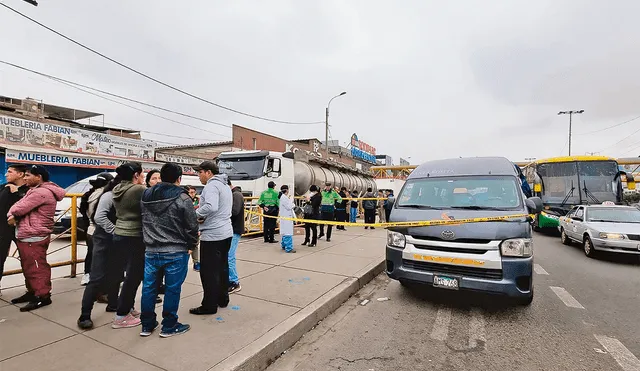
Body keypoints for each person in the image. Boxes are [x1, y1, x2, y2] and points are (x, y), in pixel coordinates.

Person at [139, 163, 198, 337]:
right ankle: (169, 325)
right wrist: (191, 245)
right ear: (179, 179)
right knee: (173, 289)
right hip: (175, 250)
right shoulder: (183, 198)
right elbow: (192, 226)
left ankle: (147, 325)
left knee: (149, 288)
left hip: (151, 249)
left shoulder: (146, 195)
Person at [8, 165, 65, 311]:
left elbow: (17, 208)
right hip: (29, 234)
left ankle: (43, 296)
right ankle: (33, 292)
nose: (25, 178)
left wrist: (13, 213)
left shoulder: (41, 192)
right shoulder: (35, 190)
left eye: (28, 175)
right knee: (29, 266)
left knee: (36, 267)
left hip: (34, 235)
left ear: (38, 177)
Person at [77, 176, 124, 329]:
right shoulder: (108, 196)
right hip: (103, 240)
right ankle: (84, 315)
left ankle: (113, 303)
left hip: (116, 242)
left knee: (116, 275)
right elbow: (99, 218)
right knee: (96, 277)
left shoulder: (123, 195)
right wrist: (115, 231)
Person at [190, 161, 233, 315]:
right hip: (226, 233)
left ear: (208, 172)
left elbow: (211, 206)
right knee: (222, 268)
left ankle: (209, 305)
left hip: (213, 235)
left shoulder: (211, 186)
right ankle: (222, 298)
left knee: (208, 271)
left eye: (199, 172)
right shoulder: (225, 185)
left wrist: (194, 215)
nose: (198, 176)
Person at [111, 162, 146, 329]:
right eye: (143, 174)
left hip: (120, 233)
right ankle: (121, 315)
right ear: (136, 175)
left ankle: (127, 307)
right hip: (134, 235)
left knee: (130, 274)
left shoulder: (118, 189)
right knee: (134, 275)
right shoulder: (137, 190)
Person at [79, 173, 114, 286]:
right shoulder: (105, 195)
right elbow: (100, 216)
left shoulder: (90, 194)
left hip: (90, 229)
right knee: (102, 258)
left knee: (91, 254)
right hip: (100, 229)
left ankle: (88, 275)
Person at [0, 164, 28, 296]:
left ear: (20, 174)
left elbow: (29, 204)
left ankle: (33, 289)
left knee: (27, 259)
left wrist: (17, 191)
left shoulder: (29, 190)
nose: (6, 174)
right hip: (3, 229)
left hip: (23, 229)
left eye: (10, 172)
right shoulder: (3, 188)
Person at [229, 180, 244, 294]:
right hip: (232, 229)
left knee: (230, 256)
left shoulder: (236, 195)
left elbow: (234, 211)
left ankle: (234, 281)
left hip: (235, 229)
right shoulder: (234, 194)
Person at [184, 185, 201, 271]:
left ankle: (196, 262)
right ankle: (184, 263)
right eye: (191, 192)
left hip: (196, 226)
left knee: (195, 245)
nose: (192, 194)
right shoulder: (184, 201)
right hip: (186, 228)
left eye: (194, 192)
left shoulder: (198, 201)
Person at [278, 185, 296, 253]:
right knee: (288, 233)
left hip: (285, 217)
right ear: (286, 190)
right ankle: (289, 248)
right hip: (286, 218)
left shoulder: (283, 197)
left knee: (284, 233)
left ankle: (284, 245)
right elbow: (289, 207)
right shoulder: (284, 198)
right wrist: (292, 203)